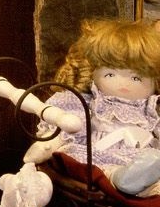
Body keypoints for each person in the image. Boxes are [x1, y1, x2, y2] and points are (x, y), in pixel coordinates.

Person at [41, 17, 160, 197]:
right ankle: (120, 180)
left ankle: (144, 186)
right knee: (104, 171)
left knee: (153, 167)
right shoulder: (91, 102)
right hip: (100, 155)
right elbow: (71, 124)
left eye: (136, 78)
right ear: (93, 72)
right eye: (111, 74)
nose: (123, 84)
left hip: (142, 159)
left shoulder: (150, 110)